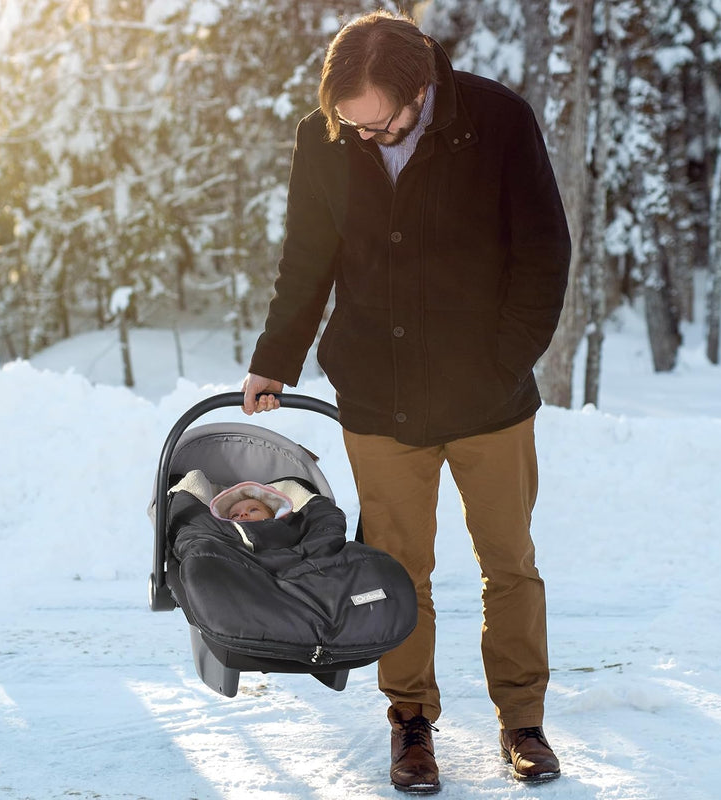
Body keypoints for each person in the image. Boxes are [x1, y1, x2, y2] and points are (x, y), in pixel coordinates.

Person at [242, 9, 571, 792]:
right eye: (350, 124)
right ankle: (411, 723)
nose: (365, 136)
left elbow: (543, 250)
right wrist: (274, 359)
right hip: (379, 398)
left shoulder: (498, 120)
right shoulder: (327, 137)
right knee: (394, 570)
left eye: (378, 122)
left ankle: (522, 722)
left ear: (419, 87)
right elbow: (306, 257)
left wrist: (503, 362)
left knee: (509, 565)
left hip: (489, 399)